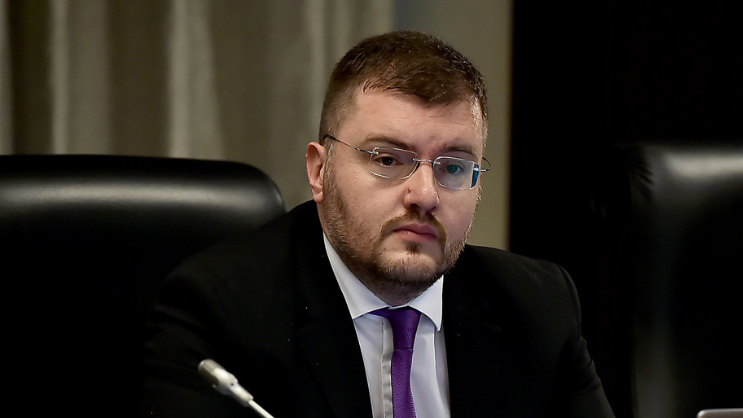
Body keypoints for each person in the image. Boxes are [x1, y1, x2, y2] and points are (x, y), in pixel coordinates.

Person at [141, 30, 615, 418]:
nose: (425, 195)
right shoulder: (222, 310)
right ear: (320, 171)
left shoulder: (537, 305)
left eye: (453, 167)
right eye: (388, 159)